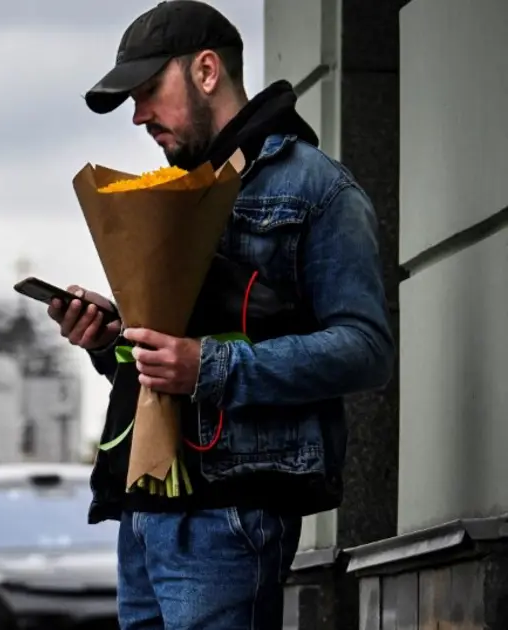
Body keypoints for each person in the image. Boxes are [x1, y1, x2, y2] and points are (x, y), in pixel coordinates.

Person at [50, 1, 395, 628]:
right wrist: (111, 343)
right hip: (145, 508)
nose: (139, 116)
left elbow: (365, 349)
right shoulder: (178, 192)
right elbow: (175, 353)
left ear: (207, 71)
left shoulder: (318, 189)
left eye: (150, 91)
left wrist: (207, 367)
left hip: (231, 511)